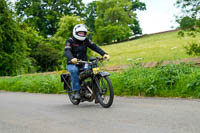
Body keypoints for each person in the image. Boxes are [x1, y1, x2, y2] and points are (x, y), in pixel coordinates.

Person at [64, 24, 110, 99]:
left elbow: (95, 47)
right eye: (80, 33)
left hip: (84, 63)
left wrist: (104, 54)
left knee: (94, 69)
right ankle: (76, 91)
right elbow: (67, 51)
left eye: (83, 33)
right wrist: (71, 58)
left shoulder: (86, 40)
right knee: (74, 71)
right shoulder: (70, 41)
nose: (82, 34)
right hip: (72, 63)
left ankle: (94, 89)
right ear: (75, 33)